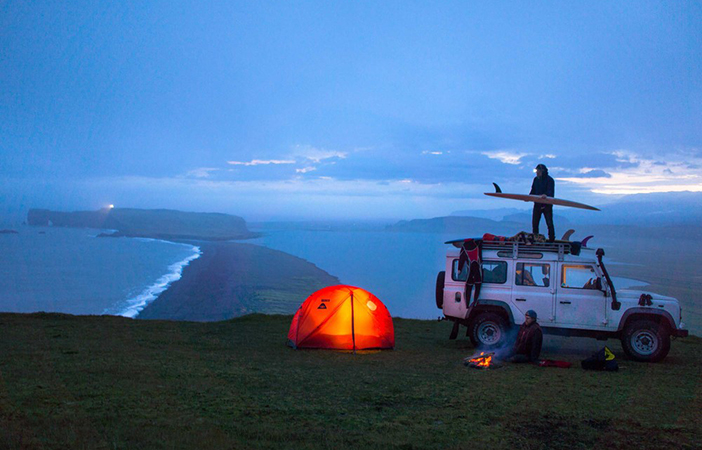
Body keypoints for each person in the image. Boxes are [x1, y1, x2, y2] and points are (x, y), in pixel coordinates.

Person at [530, 164, 555, 242]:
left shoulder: (550, 180)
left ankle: (551, 240)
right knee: (535, 223)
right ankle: (535, 239)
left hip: (547, 205)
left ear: (542, 171)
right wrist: (528, 197)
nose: (536, 173)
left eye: (538, 171)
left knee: (549, 223)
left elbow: (550, 192)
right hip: (537, 204)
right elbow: (533, 190)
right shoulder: (536, 180)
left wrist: (545, 195)